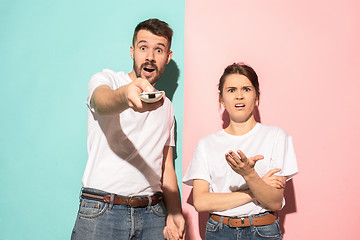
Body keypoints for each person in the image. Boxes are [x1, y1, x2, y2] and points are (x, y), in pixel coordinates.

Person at [71, 18, 185, 240]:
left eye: (158, 50)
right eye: (143, 48)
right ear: (133, 51)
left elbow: (166, 167)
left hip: (152, 213)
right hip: (103, 209)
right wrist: (125, 96)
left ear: (168, 57)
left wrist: (174, 211)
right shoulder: (108, 80)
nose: (150, 56)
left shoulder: (167, 107)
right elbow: (101, 101)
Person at [183, 63, 298, 239]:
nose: (239, 96)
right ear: (221, 99)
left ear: (256, 96)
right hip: (219, 231)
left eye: (246, 89)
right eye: (231, 90)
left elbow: (274, 201)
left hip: (262, 230)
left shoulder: (276, 137)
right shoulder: (206, 145)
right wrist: (255, 190)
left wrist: (249, 174)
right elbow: (201, 201)